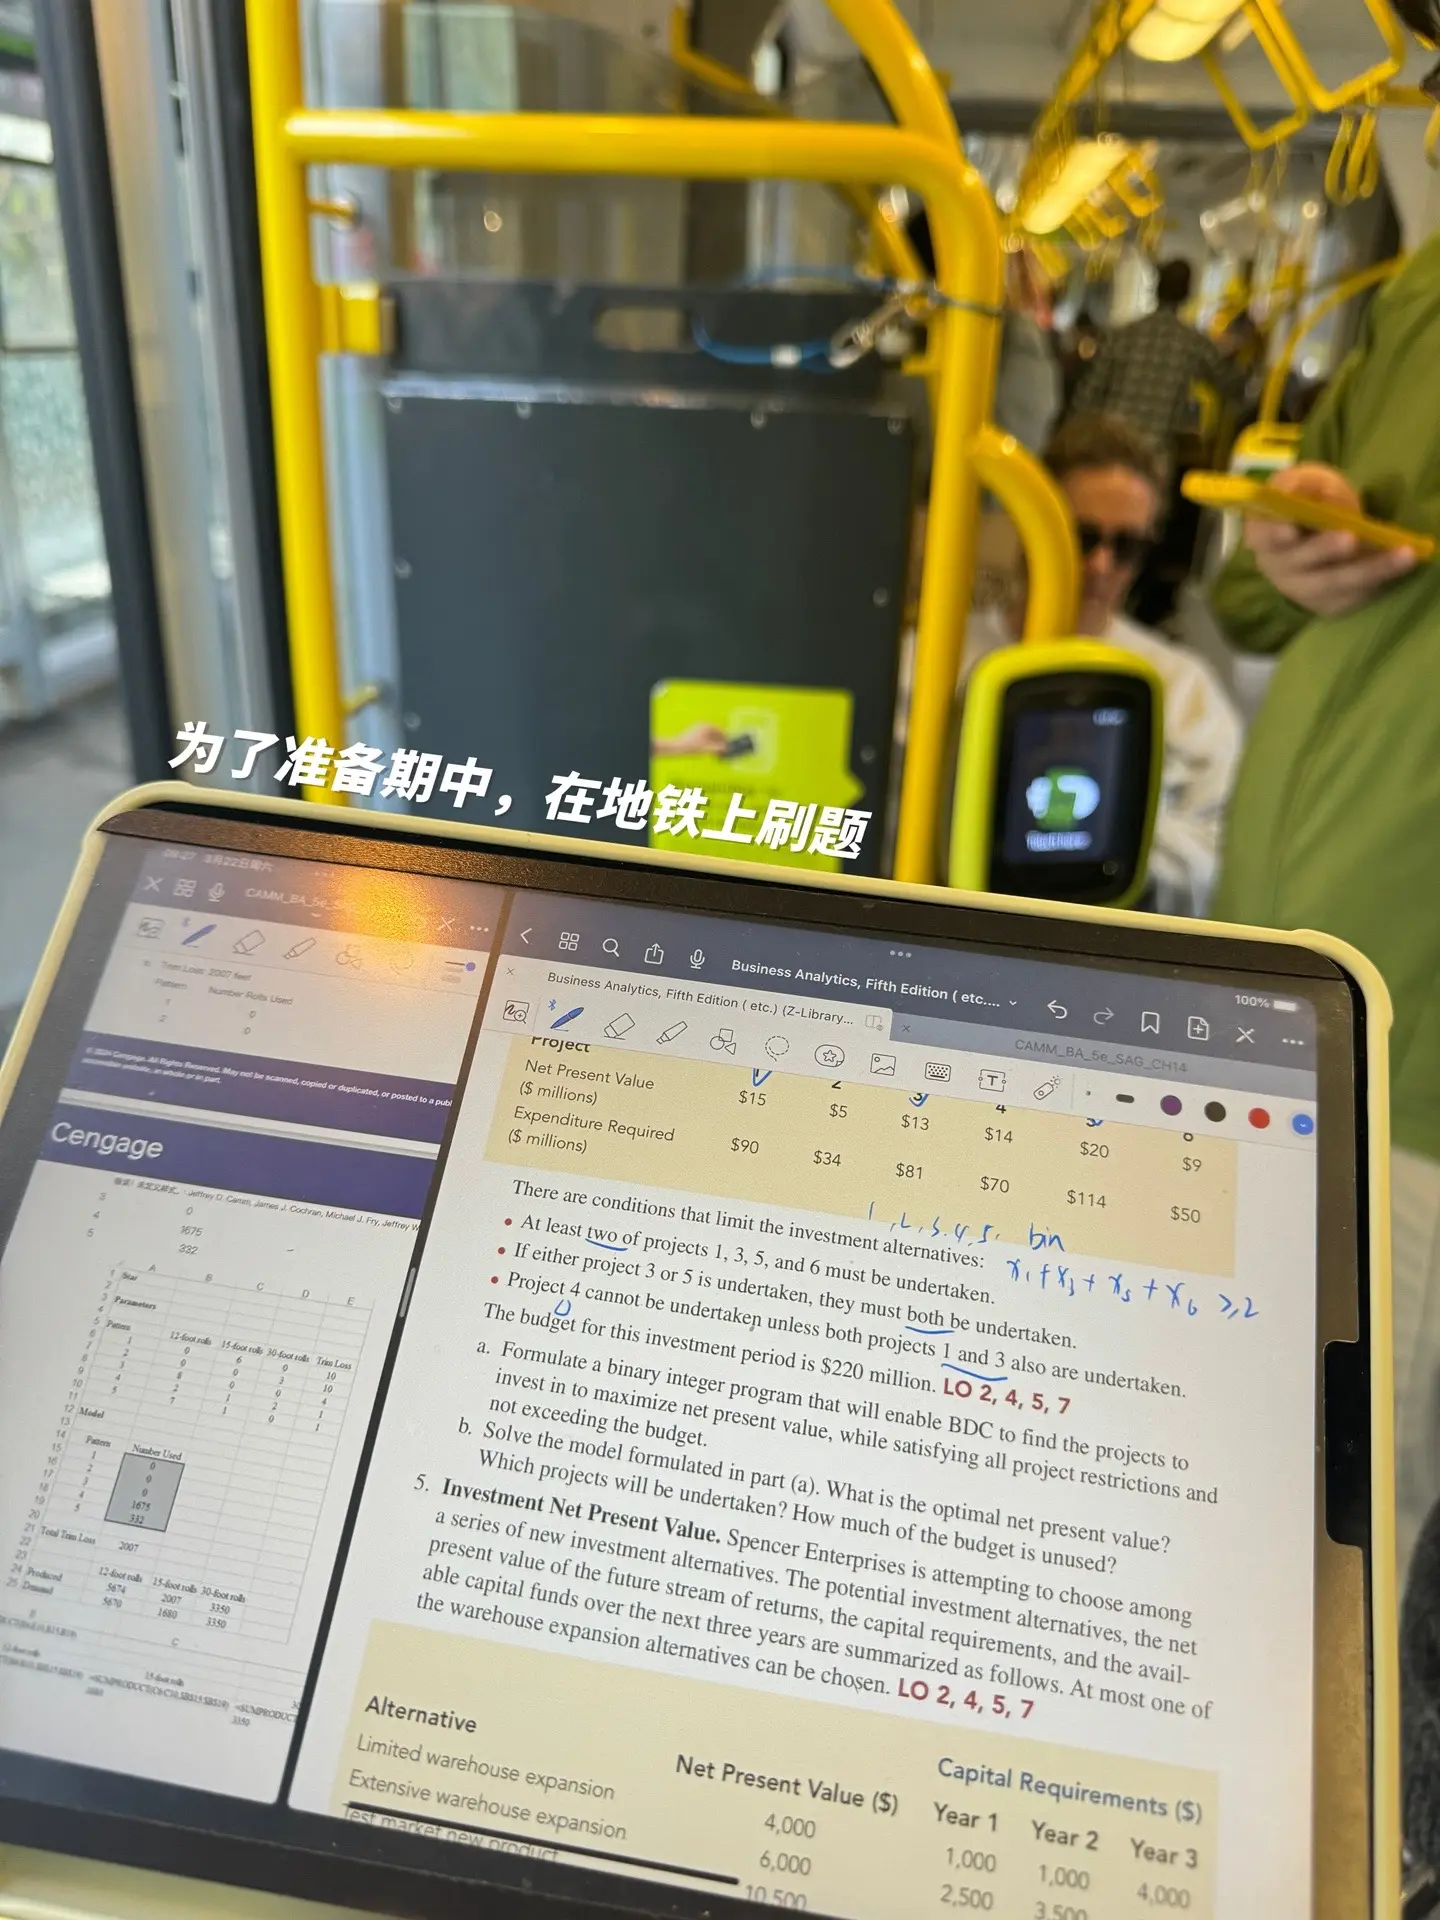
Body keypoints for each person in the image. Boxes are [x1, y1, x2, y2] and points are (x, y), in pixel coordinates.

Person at [1208, 217, 1440, 1580]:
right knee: (1252, 1471)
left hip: (1411, 1061)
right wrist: (1293, 536)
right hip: (1279, 994)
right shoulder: (1421, 290)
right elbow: (1249, 594)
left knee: (1347, 1540)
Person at [967, 412, 1243, 917]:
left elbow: (1218, 862)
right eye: (1083, 537)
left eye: (1127, 547)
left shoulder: (1184, 689)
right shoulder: (936, 656)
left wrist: (1110, 839)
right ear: (1030, 526)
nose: (1101, 565)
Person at [1070, 259, 1240, 475]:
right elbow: (1231, 388)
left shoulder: (1123, 335)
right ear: (1187, 294)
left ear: (1157, 288)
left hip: (1110, 447)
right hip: (1154, 458)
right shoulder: (1194, 343)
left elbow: (1087, 396)